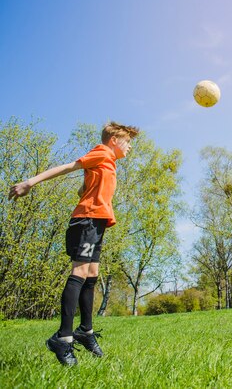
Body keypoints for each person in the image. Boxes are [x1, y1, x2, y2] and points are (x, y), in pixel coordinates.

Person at [9, 121, 139, 365]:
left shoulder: (107, 162)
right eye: (128, 141)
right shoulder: (102, 152)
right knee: (79, 273)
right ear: (114, 140)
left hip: (96, 223)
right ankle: (63, 338)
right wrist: (30, 182)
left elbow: (84, 188)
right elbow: (69, 166)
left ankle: (85, 332)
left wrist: (88, 187)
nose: (130, 147)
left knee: (91, 274)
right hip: (87, 221)